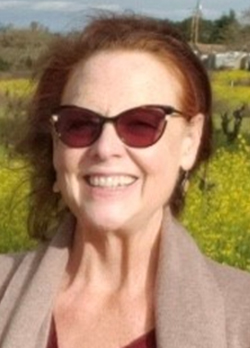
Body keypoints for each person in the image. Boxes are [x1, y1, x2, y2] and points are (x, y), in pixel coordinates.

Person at [1, 13, 250, 348]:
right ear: (55, 148)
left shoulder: (241, 313)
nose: (105, 149)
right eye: (79, 124)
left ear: (190, 142)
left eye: (141, 123)